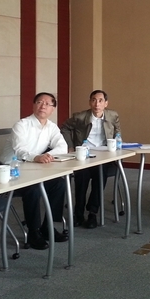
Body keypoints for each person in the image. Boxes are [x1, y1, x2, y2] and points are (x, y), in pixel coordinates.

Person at [0, 92, 69, 250]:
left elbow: (62, 147)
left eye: (47, 104)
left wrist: (48, 156)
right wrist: (36, 157)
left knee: (59, 184)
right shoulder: (21, 125)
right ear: (33, 105)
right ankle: (33, 232)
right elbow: (20, 150)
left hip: (34, 168)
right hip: (11, 170)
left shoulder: (51, 127)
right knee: (34, 188)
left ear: (53, 109)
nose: (43, 106)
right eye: (39, 102)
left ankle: (48, 226)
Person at [60, 90, 121, 229]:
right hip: (84, 155)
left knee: (100, 177)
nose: (97, 104)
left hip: (104, 155)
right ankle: (78, 213)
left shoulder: (113, 115)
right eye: (94, 100)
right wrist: (70, 146)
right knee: (82, 178)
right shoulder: (80, 117)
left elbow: (117, 131)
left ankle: (93, 213)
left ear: (106, 103)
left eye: (100, 100)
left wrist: (116, 143)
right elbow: (64, 128)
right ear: (89, 102)